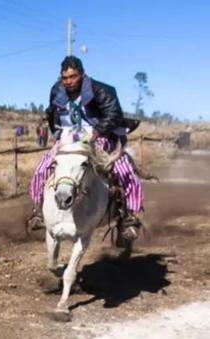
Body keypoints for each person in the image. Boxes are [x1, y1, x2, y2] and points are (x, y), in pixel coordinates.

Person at [28, 56, 143, 246]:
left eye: (72, 76)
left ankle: (128, 216)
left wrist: (97, 133)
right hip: (68, 137)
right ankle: (38, 211)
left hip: (100, 135)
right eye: (64, 78)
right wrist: (58, 136)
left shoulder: (102, 90)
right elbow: (53, 115)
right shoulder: (57, 91)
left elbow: (114, 115)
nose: (68, 81)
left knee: (124, 170)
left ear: (81, 74)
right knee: (43, 167)